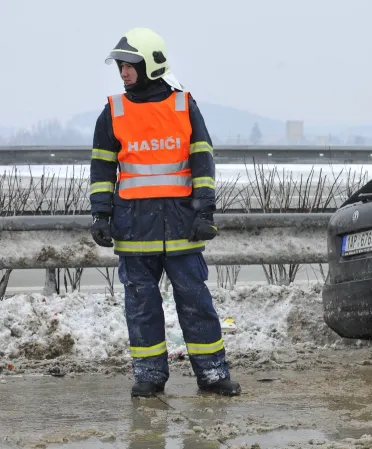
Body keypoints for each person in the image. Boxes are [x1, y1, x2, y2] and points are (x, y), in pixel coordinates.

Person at [88, 27, 241, 398]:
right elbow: (102, 169)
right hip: (134, 230)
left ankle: (213, 374)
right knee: (141, 309)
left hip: (182, 227)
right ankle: (149, 376)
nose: (123, 73)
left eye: (129, 65)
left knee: (196, 303)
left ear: (151, 65)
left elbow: (202, 161)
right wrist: (100, 216)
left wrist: (205, 211)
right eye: (121, 66)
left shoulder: (183, 105)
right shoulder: (114, 111)